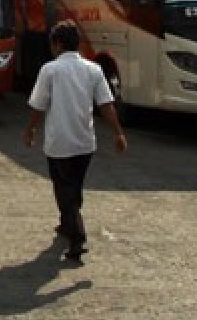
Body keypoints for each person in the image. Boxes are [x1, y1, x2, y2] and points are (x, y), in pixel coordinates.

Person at [23, 20, 128, 263]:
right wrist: (118, 133)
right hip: (84, 143)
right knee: (74, 188)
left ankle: (77, 238)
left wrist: (30, 130)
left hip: (59, 143)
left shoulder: (50, 70)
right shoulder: (93, 70)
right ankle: (66, 224)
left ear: (57, 44)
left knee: (64, 191)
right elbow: (106, 105)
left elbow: (39, 106)